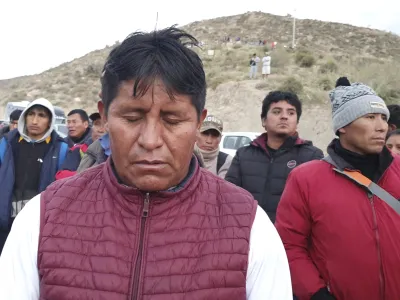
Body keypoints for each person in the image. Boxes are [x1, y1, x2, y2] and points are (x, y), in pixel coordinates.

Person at [0, 27, 292, 300]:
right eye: (132, 118)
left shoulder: (250, 227)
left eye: (173, 120)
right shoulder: (42, 219)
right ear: (104, 117)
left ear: (199, 123)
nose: (150, 140)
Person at [275, 83, 400, 300]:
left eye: (383, 117)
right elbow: (290, 245)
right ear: (343, 125)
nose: (381, 127)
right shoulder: (306, 179)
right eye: (370, 117)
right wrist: (316, 294)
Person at [226, 91, 323, 222]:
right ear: (263, 120)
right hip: (249, 233)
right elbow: (228, 198)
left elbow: (317, 207)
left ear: (297, 122)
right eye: (277, 112)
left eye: (291, 113)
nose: (284, 117)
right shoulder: (243, 155)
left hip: (290, 238)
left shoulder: (312, 156)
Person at [0, 98, 68, 253]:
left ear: (50, 120)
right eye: (31, 114)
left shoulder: (60, 148)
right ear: (25, 116)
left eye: (42, 115)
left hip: (37, 224)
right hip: (5, 219)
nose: (35, 120)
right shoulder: (7, 143)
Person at [55, 111, 106, 179]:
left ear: (86, 124)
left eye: (105, 124)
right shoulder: (79, 149)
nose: (100, 130)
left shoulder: (119, 155)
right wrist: (86, 175)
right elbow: (60, 175)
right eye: (97, 124)